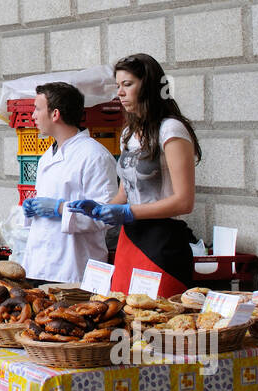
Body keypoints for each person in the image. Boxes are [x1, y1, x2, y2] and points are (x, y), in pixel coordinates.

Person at [68, 53, 201, 297]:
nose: (120, 93)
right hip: (129, 239)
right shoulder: (129, 132)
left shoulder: (171, 129)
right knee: (124, 314)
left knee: (156, 319)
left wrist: (129, 212)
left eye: (127, 85)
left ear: (149, 86)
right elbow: (124, 193)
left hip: (162, 242)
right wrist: (98, 209)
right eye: (118, 86)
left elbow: (184, 201)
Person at [20, 82, 119, 283]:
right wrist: (32, 209)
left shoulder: (95, 155)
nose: (33, 116)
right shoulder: (47, 156)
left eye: (37, 109)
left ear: (55, 114)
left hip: (74, 268)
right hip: (39, 264)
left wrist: (61, 210)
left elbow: (107, 215)